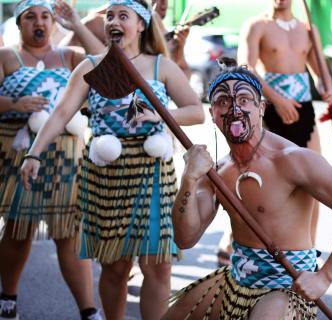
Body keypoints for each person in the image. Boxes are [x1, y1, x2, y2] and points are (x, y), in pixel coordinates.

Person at [20, 1, 204, 319]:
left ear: (142, 25)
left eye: (123, 16)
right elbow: (62, 113)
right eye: (109, 16)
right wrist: (33, 152)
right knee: (116, 268)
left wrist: (163, 114)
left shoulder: (161, 65)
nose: (113, 21)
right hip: (106, 174)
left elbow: (196, 111)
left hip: (152, 172)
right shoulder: (91, 65)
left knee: (159, 266)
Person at [163, 59, 332, 319]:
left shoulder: (292, 159)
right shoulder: (215, 172)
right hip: (236, 279)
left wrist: (325, 276)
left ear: (261, 108)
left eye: (244, 99)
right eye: (223, 101)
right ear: (213, 114)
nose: (233, 107)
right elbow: (185, 238)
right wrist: (189, 178)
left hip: (285, 287)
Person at [0, 1, 104, 319]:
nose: (39, 22)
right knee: (18, 229)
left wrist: (78, 25)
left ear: (53, 23)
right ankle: (8, 297)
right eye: (30, 17)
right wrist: (16, 102)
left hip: (66, 157)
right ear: (19, 24)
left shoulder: (69, 55)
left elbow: (107, 64)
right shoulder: (6, 57)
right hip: (18, 155)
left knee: (68, 232)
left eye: (45, 16)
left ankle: (88, 310)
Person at [236, 0, 332, 254]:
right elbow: (246, 68)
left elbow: (316, 68)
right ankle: (240, 239)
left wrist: (327, 87)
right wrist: (277, 100)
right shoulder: (256, 25)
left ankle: (308, 248)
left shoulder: (307, 28)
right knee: (267, 181)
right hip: (270, 110)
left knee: (315, 179)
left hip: (304, 109)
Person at [59, 0, 191, 77]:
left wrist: (179, 51)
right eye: (110, 17)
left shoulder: (155, 23)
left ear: (141, 25)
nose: (163, 3)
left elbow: (182, 79)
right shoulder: (94, 23)